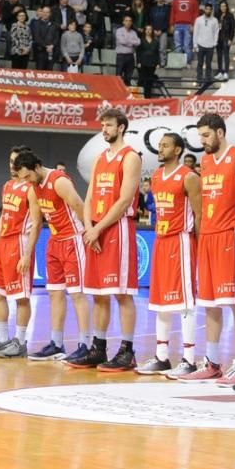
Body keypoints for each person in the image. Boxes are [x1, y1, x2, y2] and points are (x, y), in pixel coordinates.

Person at [175, 113, 235, 385]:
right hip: (207, 236)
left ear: (220, 133)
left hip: (230, 237)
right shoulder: (206, 161)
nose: (203, 141)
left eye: (206, 135)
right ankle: (211, 360)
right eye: (200, 136)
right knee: (208, 304)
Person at [67, 110, 142, 371]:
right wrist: (89, 227)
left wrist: (98, 229)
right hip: (96, 229)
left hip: (117, 228)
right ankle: (99, 348)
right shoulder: (100, 158)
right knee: (98, 294)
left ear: (121, 127)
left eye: (109, 125)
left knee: (122, 293)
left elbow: (123, 201)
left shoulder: (130, 157)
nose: (104, 129)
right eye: (102, 124)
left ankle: (127, 350)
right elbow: (88, 197)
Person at [134, 133, 203, 377]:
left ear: (177, 150)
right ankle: (162, 357)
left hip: (181, 240)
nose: (160, 149)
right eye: (160, 145)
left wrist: (201, 245)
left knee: (185, 301)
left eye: (165, 145)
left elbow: (200, 215)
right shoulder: (155, 177)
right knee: (161, 301)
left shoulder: (189, 177)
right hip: (161, 241)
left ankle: (189, 358)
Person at [13, 151, 91, 363]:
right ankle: (57, 344)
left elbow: (79, 205)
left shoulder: (59, 181)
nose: (26, 181)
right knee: (55, 293)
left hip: (74, 240)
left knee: (77, 294)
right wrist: (27, 253)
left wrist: (91, 233)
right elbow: (37, 222)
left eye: (27, 176)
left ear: (37, 167)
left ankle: (87, 345)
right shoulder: (34, 186)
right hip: (54, 242)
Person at [0, 147, 42, 359]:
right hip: (3, 242)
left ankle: (21, 342)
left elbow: (37, 222)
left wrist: (27, 253)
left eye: (16, 162)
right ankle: (2, 338)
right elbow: (3, 217)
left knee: (21, 297)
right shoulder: (7, 185)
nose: (12, 166)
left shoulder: (32, 188)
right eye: (10, 161)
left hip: (19, 243)